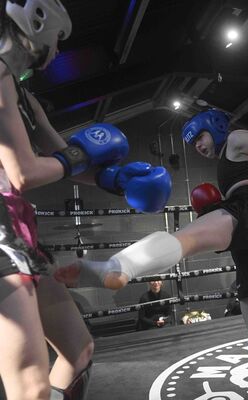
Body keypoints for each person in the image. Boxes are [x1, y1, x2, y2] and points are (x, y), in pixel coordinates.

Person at [54, 109, 248, 399]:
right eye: (193, 144)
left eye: (199, 138)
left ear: (214, 127)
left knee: (185, 239)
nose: (199, 146)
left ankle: (118, 265)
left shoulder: (237, 139)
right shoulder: (229, 156)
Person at [0, 1, 171, 399]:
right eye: (57, 38)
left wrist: (117, 180)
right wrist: (76, 155)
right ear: (36, 24)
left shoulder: (25, 96)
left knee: (79, 350)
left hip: (19, 232)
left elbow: (65, 159)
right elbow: (25, 172)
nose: (58, 50)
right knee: (29, 384)